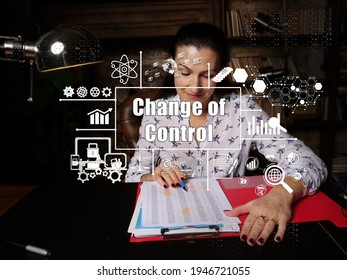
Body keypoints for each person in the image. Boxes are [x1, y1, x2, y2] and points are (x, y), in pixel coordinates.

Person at [125, 22, 327, 246]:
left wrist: (282, 194)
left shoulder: (242, 110)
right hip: (171, 227)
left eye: (207, 75)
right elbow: (132, 176)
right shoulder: (156, 114)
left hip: (230, 225)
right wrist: (152, 176)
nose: (195, 87)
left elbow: (311, 163)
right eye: (184, 72)